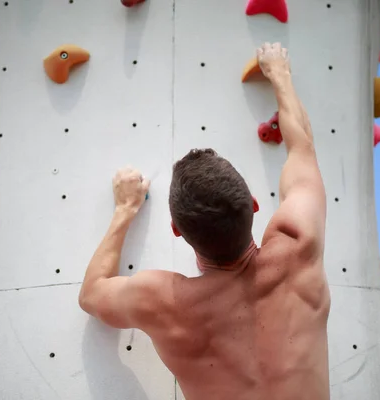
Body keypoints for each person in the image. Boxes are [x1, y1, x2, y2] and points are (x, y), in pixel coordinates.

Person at [78, 42, 330, 400]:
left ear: (177, 230)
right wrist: (278, 73)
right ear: (254, 204)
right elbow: (302, 147)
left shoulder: (166, 303)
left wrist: (125, 209)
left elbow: (91, 295)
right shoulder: (299, 242)